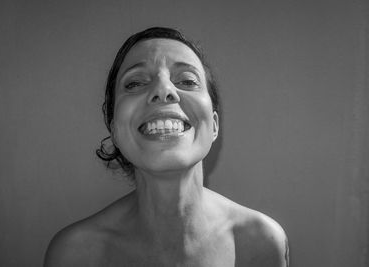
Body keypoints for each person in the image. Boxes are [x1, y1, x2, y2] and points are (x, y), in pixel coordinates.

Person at [44, 27, 289, 267]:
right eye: (135, 83)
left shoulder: (261, 243)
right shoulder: (74, 255)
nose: (164, 90)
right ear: (115, 130)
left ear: (214, 125)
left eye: (187, 80)